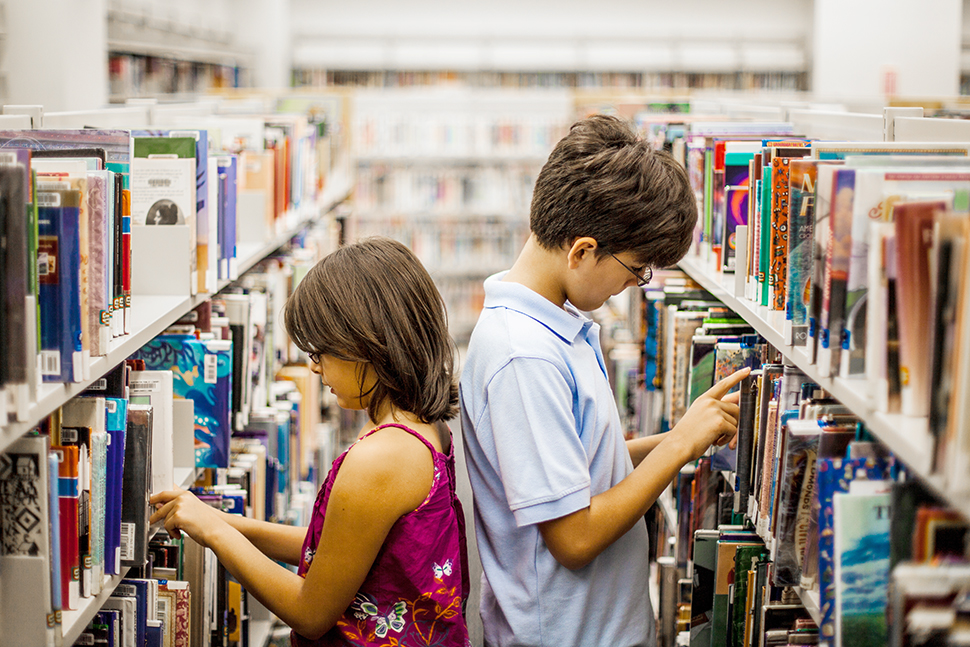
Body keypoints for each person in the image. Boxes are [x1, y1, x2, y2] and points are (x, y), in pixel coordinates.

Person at [459, 114, 749, 647]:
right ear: (583, 250)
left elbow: (581, 465)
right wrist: (679, 445)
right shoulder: (525, 357)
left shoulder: (555, 326)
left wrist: (682, 437)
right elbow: (574, 536)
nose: (632, 287)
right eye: (636, 270)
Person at [150, 237, 470, 647]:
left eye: (321, 350)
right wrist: (218, 520)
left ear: (367, 343)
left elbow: (310, 612)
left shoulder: (381, 458)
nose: (315, 367)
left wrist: (215, 533)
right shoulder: (424, 426)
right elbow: (342, 549)